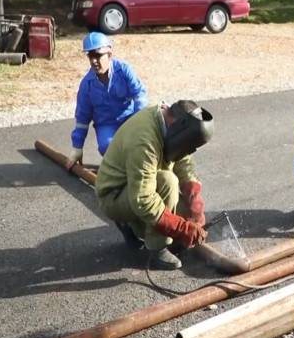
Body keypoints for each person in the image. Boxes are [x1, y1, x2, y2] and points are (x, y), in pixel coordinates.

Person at [95, 100, 213, 270]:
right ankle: (158, 249)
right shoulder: (145, 140)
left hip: (138, 187)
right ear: (178, 125)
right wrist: (181, 228)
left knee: (185, 212)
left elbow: (183, 159)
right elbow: (143, 199)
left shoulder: (169, 123)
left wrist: (195, 202)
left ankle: (135, 226)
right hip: (115, 195)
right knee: (167, 182)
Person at [65, 32, 148, 169]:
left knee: (137, 144)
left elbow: (140, 95)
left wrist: (140, 124)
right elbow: (82, 119)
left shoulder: (124, 71)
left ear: (110, 54)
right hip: (106, 125)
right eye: (90, 56)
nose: (93, 61)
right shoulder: (87, 85)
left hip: (129, 119)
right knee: (107, 147)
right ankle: (122, 168)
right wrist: (77, 148)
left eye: (98, 55)